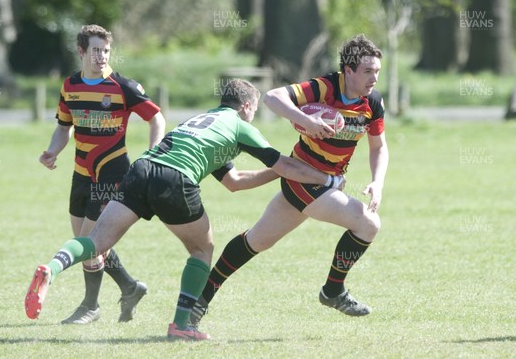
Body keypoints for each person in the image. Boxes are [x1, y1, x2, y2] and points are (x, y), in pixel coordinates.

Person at [25, 78, 345, 341]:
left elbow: (234, 181)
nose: (254, 115)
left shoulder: (199, 120)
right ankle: (182, 324)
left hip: (142, 168)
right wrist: (327, 178)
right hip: (174, 179)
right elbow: (285, 164)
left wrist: (280, 171)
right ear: (247, 106)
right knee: (202, 248)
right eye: (255, 110)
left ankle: (51, 269)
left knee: (96, 242)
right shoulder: (238, 125)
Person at [190, 34, 389, 329]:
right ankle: (333, 291)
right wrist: (306, 120)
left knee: (257, 240)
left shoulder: (372, 103)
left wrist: (377, 182)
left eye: (377, 72)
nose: (374, 78)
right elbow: (273, 97)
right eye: (368, 71)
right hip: (303, 177)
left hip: (318, 182)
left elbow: (379, 147)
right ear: (348, 70)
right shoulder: (325, 87)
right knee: (368, 224)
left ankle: (199, 300)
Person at [38, 24, 166, 324]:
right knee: (88, 243)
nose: (101, 56)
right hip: (81, 173)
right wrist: (53, 150)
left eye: (106, 50)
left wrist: (152, 154)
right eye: (95, 50)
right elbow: (64, 125)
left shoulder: (124, 87)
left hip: (113, 172)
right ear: (81, 51)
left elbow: (157, 119)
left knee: (91, 242)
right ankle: (130, 287)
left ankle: (90, 307)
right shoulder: (70, 86)